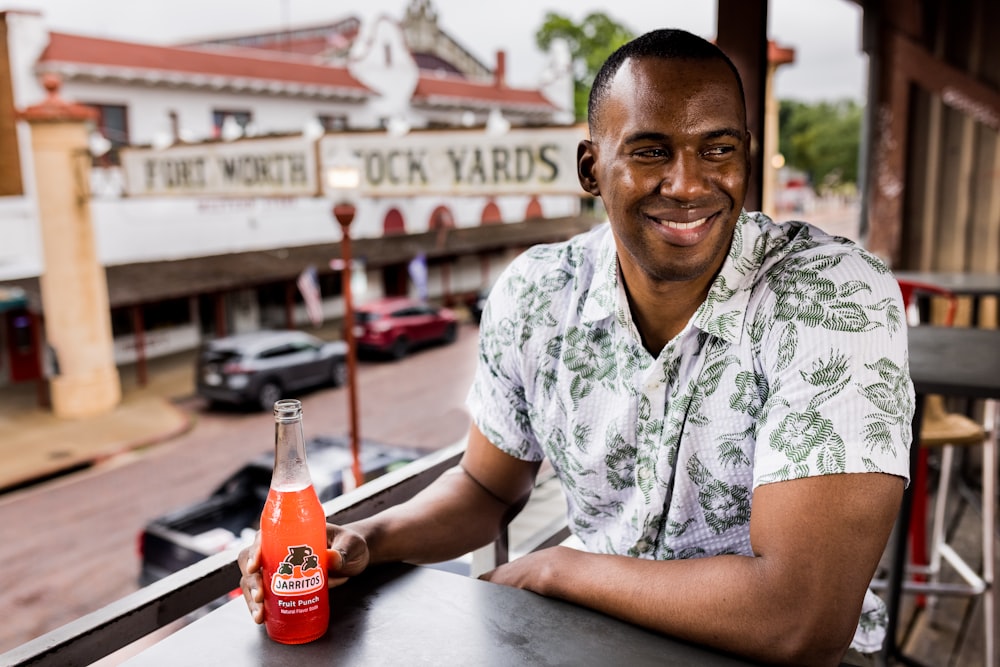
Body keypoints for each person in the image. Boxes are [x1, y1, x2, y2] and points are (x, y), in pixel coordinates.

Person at [240, 28, 913, 666]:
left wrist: (561, 568)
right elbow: (484, 485)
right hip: (591, 638)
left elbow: (801, 617)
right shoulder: (538, 293)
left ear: (747, 152)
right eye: (651, 150)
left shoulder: (831, 296)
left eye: (717, 149)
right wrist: (367, 540)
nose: (686, 182)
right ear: (592, 167)